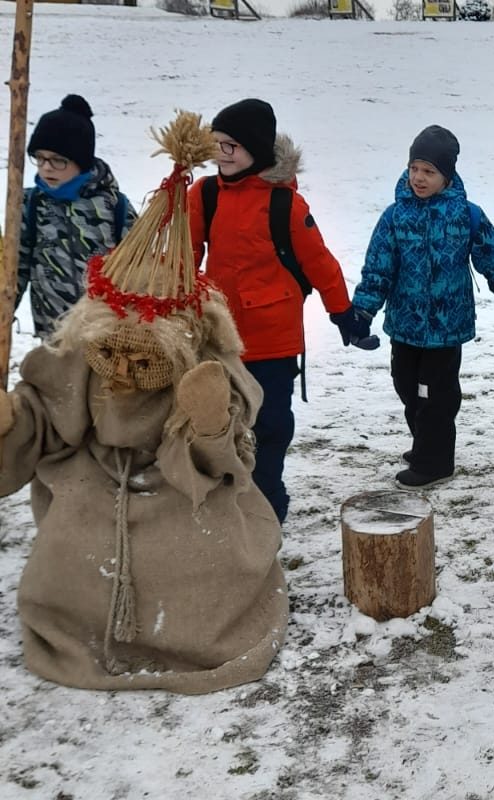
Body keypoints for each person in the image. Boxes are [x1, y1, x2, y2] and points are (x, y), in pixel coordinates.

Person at [0, 112, 287, 693]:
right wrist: (14, 419)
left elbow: (231, 455)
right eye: (115, 356)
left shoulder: (202, 364)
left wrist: (207, 422)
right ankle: (77, 623)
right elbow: (45, 411)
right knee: (74, 544)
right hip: (93, 475)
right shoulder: (82, 352)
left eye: (144, 360)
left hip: (176, 485)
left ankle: (194, 631)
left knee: (205, 557)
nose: (126, 370)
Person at [188, 98, 369, 523]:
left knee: (269, 424)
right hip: (218, 336)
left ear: (256, 150)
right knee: (217, 420)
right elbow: (187, 252)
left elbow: (319, 263)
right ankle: (227, 491)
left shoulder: (284, 204)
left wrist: (344, 314)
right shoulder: (205, 194)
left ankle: (268, 498)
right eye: (216, 144)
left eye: (230, 146)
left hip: (272, 340)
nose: (220, 154)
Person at [349, 125, 494, 488]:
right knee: (406, 386)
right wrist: (363, 313)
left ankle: (435, 462)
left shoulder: (467, 216)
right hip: (404, 323)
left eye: (429, 171)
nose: (418, 177)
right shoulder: (394, 216)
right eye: (414, 168)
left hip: (447, 327)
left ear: (446, 176)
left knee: (436, 395)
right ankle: (425, 443)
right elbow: (377, 270)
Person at [18, 94, 135, 340]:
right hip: (52, 331)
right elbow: (15, 270)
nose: (46, 167)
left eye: (58, 160)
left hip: (105, 332)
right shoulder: (31, 204)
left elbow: (137, 269)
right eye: (40, 158)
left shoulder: (113, 205)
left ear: (81, 161)